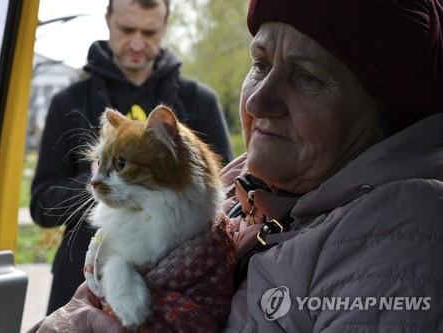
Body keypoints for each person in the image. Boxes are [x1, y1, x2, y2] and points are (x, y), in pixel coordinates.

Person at [29, 0, 443, 331]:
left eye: (307, 77)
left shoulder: (404, 235)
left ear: (381, 103)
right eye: (260, 64)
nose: (256, 102)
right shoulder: (240, 182)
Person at [30, 0, 233, 316]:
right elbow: (40, 205)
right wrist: (102, 185)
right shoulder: (69, 101)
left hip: (184, 286)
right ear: (108, 20)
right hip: (79, 278)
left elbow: (226, 195)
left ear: (165, 26)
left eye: (149, 31)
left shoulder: (200, 100)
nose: (138, 43)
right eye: (127, 29)